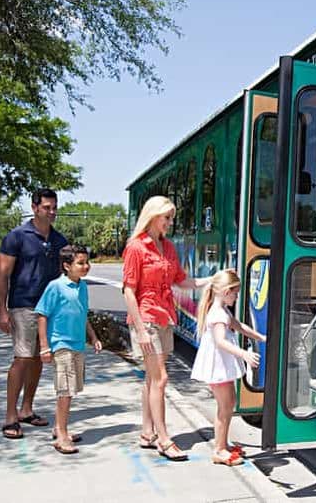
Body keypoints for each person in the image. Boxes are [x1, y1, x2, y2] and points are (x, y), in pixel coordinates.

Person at [123, 195, 213, 461]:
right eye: (167, 218)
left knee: (152, 379)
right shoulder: (136, 247)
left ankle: (147, 433)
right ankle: (164, 439)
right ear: (153, 215)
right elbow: (129, 290)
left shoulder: (168, 248)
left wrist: (212, 279)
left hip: (165, 317)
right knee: (161, 378)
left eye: (171, 218)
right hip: (146, 318)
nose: (170, 223)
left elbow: (182, 281)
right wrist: (139, 329)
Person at [0, 188, 68, 439]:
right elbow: (3, 276)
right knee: (22, 358)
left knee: (39, 358)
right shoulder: (16, 237)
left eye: (54, 207)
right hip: (23, 305)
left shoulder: (60, 241)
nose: (52, 212)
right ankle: (10, 415)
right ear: (35, 207)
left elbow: (65, 278)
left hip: (49, 309)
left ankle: (27, 409)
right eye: (47, 207)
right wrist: (2, 311)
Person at [191, 269, 266, 466]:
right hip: (218, 368)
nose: (237, 296)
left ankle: (223, 444)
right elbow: (220, 341)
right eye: (236, 292)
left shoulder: (222, 311)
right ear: (226, 292)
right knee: (224, 408)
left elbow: (240, 326)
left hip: (221, 366)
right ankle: (219, 450)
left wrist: (261, 337)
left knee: (229, 404)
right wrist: (245, 354)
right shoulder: (218, 315)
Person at [35, 245, 102, 454]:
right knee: (65, 390)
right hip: (61, 344)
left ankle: (59, 427)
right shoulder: (55, 287)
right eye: (80, 263)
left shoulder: (82, 287)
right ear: (67, 266)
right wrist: (45, 347)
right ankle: (62, 436)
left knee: (71, 390)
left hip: (77, 345)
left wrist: (93, 337)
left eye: (86, 262)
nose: (85, 266)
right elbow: (42, 315)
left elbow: (83, 314)